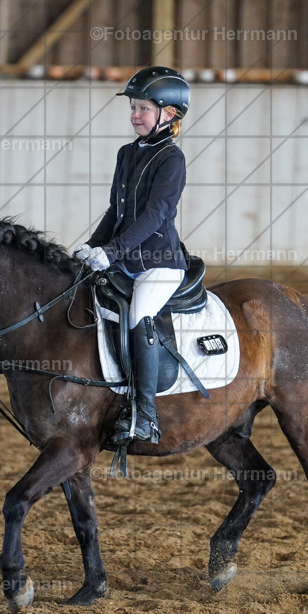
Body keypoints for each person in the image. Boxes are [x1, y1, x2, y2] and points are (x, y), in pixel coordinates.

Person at [72, 66, 190, 444]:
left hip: (159, 263)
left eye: (142, 109)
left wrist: (114, 251)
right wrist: (94, 248)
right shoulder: (126, 153)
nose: (134, 115)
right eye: (133, 108)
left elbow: (156, 215)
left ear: (168, 114)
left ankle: (146, 415)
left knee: (140, 314)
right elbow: (115, 211)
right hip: (121, 258)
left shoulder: (171, 159)